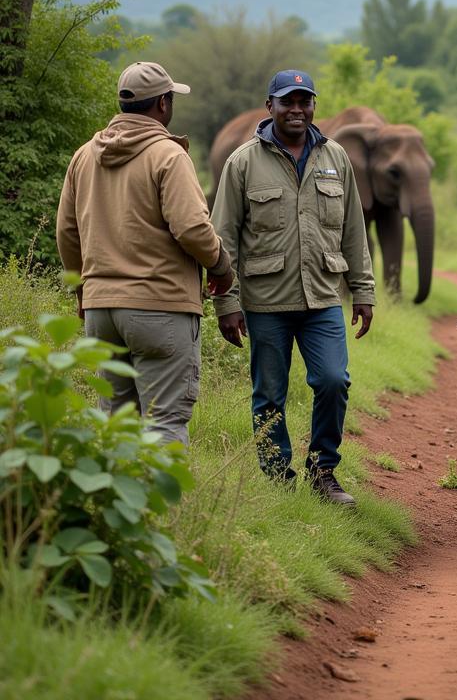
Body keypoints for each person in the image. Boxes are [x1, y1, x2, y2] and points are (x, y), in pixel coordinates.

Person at [211, 69, 375, 505]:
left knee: (333, 380)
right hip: (265, 302)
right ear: (271, 107)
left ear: (313, 106)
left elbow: (354, 231)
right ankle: (276, 478)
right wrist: (226, 302)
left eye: (305, 101)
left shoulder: (336, 158)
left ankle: (323, 472)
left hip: (322, 297)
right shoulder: (243, 162)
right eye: (288, 102)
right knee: (269, 395)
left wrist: (363, 290)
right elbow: (222, 237)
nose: (297, 110)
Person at [56, 61, 233, 445]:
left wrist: (84, 292)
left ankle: (117, 503)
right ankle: (165, 508)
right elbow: (191, 228)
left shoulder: (84, 155)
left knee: (116, 424)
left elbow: (67, 233)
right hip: (161, 307)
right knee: (164, 423)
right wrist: (221, 265)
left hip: (100, 312)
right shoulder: (168, 155)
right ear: (163, 104)